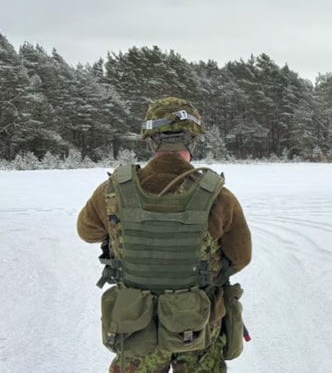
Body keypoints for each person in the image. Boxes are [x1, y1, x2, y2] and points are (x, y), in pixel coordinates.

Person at [77, 97, 252, 373]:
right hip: (198, 327)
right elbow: (241, 258)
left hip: (135, 327)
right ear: (192, 140)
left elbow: (86, 232)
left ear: (150, 140)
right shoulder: (218, 196)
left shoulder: (111, 191)